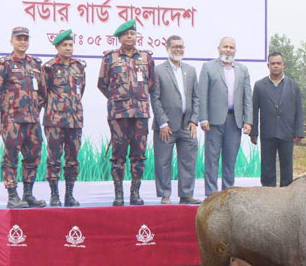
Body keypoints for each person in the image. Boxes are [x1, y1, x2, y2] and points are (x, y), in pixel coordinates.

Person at [97, 19, 156, 206]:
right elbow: (102, 83)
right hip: (118, 113)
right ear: (119, 38)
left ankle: (135, 193)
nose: (129, 37)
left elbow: (152, 83)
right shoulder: (110, 58)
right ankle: (119, 194)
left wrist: (137, 97)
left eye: (132, 34)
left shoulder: (146, 57)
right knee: (118, 155)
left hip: (140, 112)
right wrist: (117, 98)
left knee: (139, 154)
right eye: (126, 35)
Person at [0, 27, 47, 208]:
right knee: (11, 157)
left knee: (33, 157)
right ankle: (12, 195)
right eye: (19, 39)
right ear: (11, 41)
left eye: (25, 39)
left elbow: (42, 92)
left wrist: (35, 110)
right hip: (12, 120)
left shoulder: (35, 64)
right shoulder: (4, 64)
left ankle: (28, 194)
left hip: (32, 120)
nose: (23, 42)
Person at [198, 37, 253, 196]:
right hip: (213, 122)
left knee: (230, 161)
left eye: (231, 47)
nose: (228, 50)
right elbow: (203, 95)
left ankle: (228, 194)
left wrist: (248, 120)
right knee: (211, 160)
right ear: (219, 48)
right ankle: (211, 195)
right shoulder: (208, 67)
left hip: (234, 121)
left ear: (235, 50)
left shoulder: (243, 70)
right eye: (225, 46)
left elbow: (247, 97)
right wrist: (203, 118)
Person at [38, 29, 86, 207]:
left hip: (75, 120)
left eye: (70, 45)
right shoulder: (49, 68)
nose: (68, 48)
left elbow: (81, 90)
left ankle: (69, 195)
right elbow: (42, 94)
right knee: (54, 160)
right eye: (64, 45)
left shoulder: (79, 66)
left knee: (72, 159)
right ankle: (54, 195)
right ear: (57, 47)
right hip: (54, 121)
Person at [150, 35, 201, 204]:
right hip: (166, 126)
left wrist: (194, 120)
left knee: (188, 161)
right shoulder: (158, 70)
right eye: (175, 46)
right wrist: (162, 122)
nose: (179, 49)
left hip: (187, 125)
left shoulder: (190, 70)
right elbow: (155, 98)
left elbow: (196, 97)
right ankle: (165, 194)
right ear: (167, 48)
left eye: (181, 46)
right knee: (163, 161)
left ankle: (186, 194)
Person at [250, 52, 304, 187]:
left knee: (287, 166)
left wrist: (299, 132)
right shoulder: (259, 86)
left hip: (287, 132)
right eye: (273, 63)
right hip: (268, 132)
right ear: (268, 66)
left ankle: (286, 196)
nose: (275, 66)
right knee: (267, 167)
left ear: (283, 65)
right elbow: (254, 110)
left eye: (278, 63)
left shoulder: (293, 85)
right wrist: (253, 132)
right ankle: (268, 195)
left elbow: (299, 111)